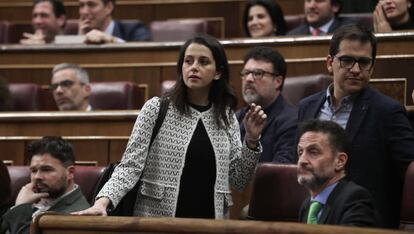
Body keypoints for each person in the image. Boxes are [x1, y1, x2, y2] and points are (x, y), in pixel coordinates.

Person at [73, 34, 267, 219]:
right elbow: (130, 166)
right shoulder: (156, 108)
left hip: (209, 223)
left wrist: (251, 140)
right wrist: (102, 202)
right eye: (188, 61)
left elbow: (239, 181)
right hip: (157, 221)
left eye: (203, 62)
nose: (194, 67)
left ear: (218, 72)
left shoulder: (226, 117)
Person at [298, 24, 414, 228]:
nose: (356, 69)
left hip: (365, 222)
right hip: (313, 216)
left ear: (373, 67)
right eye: (347, 60)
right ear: (329, 62)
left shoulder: (387, 112)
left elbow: (410, 174)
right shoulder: (307, 106)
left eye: (364, 62)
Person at [1, 137, 90, 234]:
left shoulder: (78, 215)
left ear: (70, 173)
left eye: (46, 170)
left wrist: (20, 207)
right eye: (34, 170)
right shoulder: (32, 200)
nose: (37, 177)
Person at [297, 119, 378, 226]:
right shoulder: (306, 205)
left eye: (313, 152)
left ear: (340, 161)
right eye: (300, 152)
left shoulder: (355, 199)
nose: (302, 160)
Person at [237, 47, 297, 163]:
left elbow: (281, 171)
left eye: (258, 73)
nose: (249, 79)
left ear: (277, 81)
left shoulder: (291, 121)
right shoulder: (236, 118)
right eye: (246, 73)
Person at [78, 0, 151, 44]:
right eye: (81, 6)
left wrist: (112, 41)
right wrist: (79, 40)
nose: (85, 12)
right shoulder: (75, 31)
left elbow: (146, 52)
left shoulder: (134, 29)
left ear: (109, 8)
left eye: (91, 5)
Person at [287, 0, 354, 36]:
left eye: (319, 0)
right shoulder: (292, 35)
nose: (311, 6)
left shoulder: (350, 33)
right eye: (308, 0)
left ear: (335, 6)